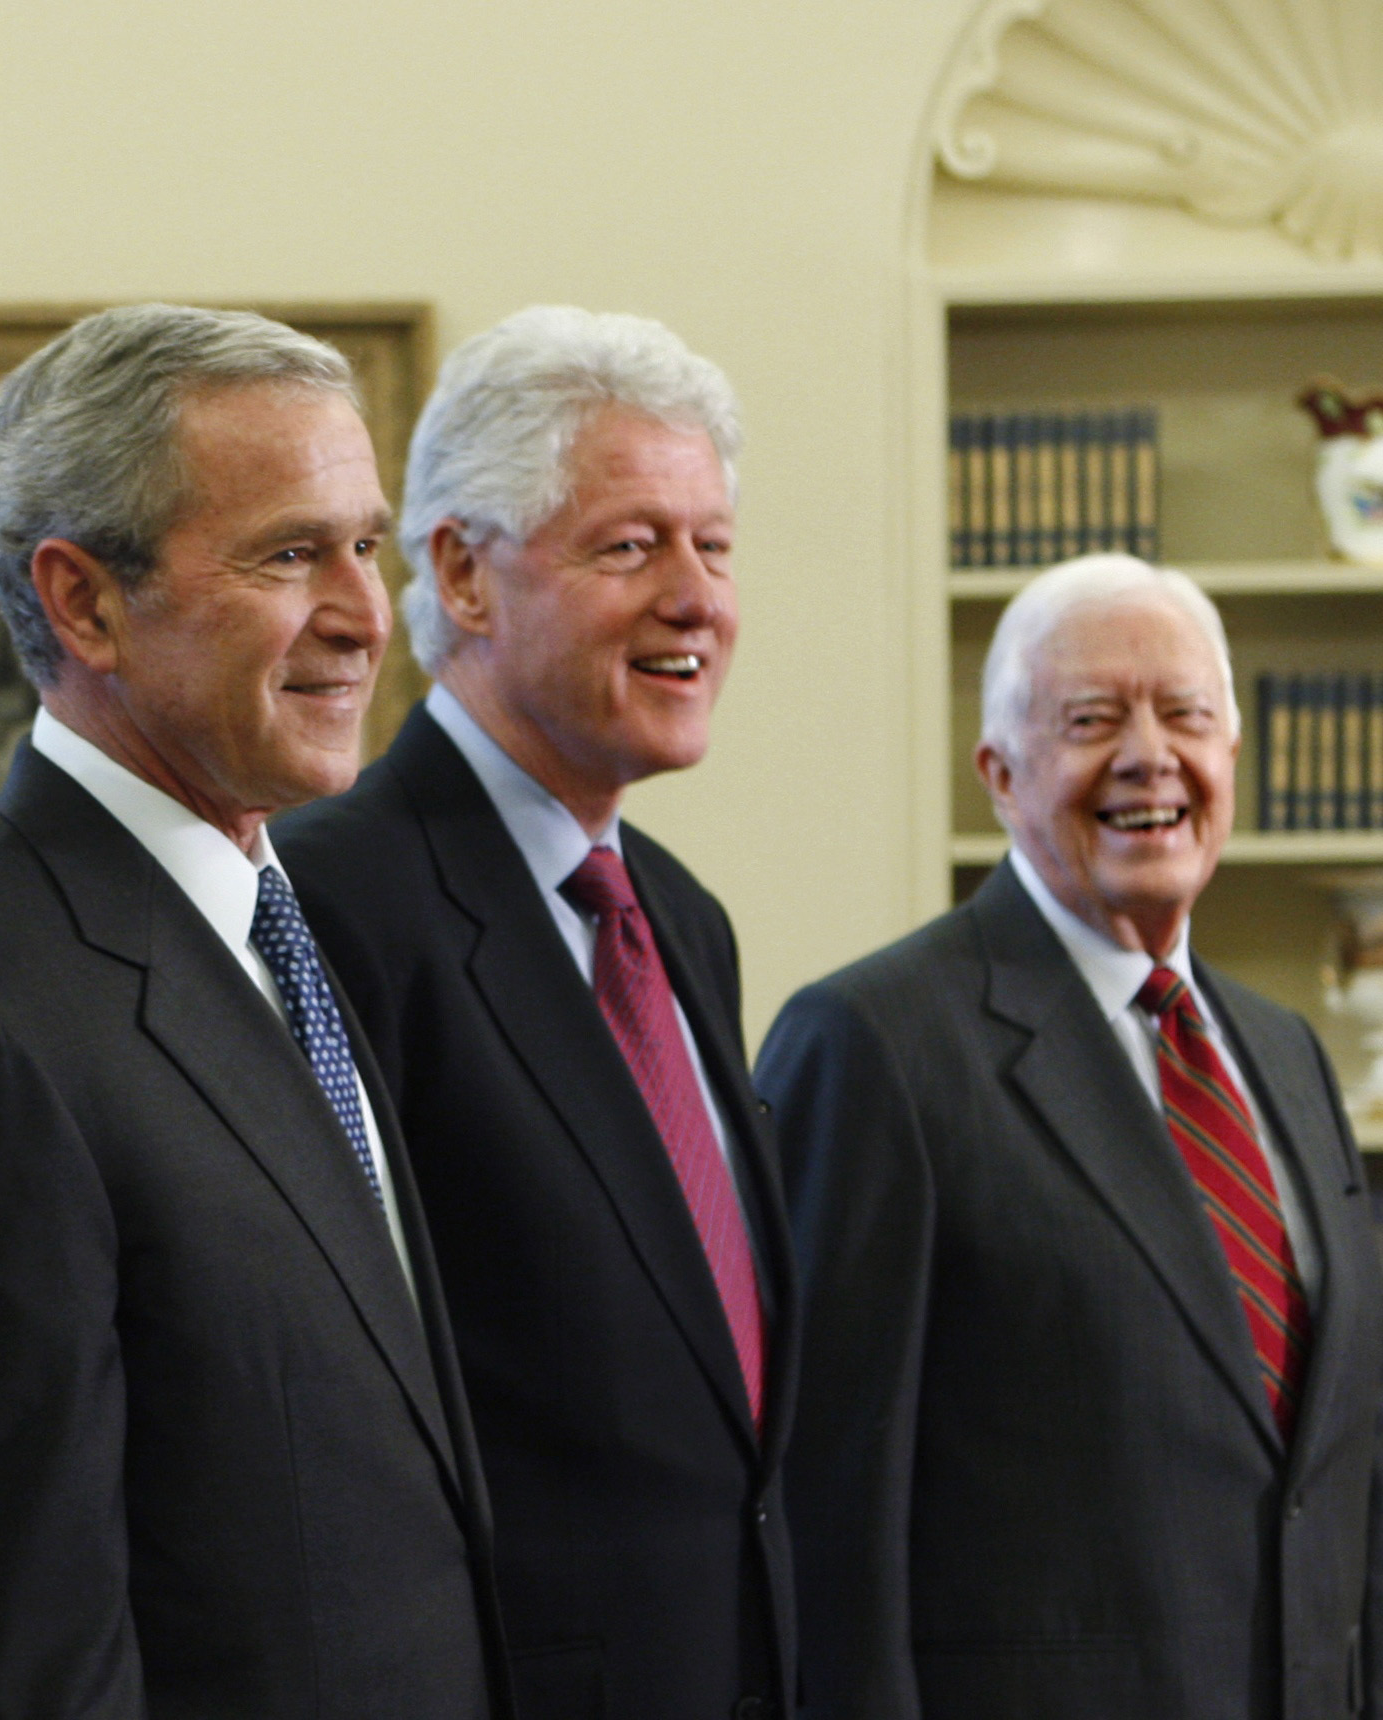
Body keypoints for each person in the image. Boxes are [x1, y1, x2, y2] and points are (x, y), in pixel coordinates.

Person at [0, 303, 505, 1719]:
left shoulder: (272, 905)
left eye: (364, 546)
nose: (367, 615)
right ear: (83, 602)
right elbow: (17, 1644)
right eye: (288, 554)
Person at [279, 304, 796, 1719]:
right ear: (462, 570)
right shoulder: (327, 906)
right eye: (632, 545)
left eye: (716, 546)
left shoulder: (678, 915)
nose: (697, 597)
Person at [758, 554, 1383, 1718]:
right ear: (999, 772)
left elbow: (1339, 1480)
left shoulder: (1285, 1053)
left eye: (1186, 714)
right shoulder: (870, 1045)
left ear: (1230, 760)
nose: (1150, 754)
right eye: (1091, 719)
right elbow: (828, 1518)